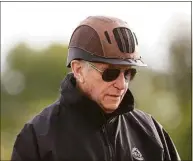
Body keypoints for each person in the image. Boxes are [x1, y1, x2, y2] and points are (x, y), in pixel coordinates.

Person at [11, 16, 180, 161]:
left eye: (128, 73)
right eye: (111, 73)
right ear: (78, 70)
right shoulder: (37, 137)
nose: (122, 85)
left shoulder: (151, 132)